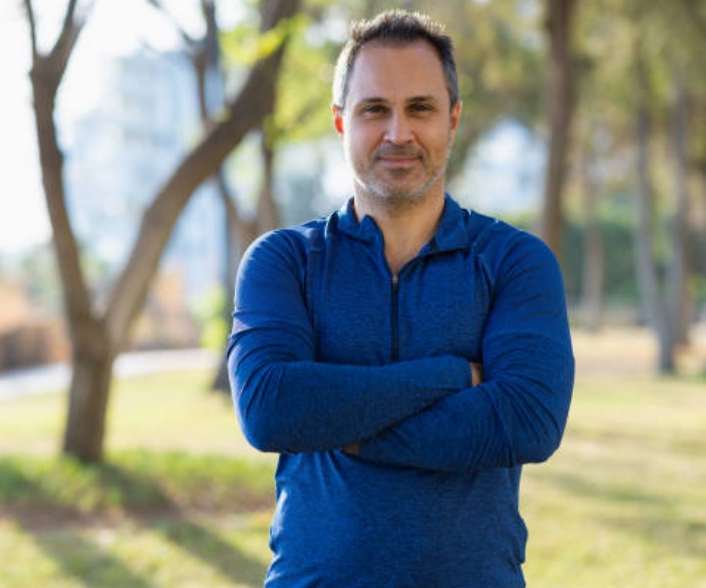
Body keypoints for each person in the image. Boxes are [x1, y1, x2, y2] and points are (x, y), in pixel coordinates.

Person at [227, 9, 574, 588]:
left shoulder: (515, 261)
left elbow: (527, 421)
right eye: (374, 110)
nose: (397, 133)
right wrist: (448, 375)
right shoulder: (283, 260)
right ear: (341, 123)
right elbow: (269, 410)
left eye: (420, 108)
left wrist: (341, 423)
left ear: (453, 119)